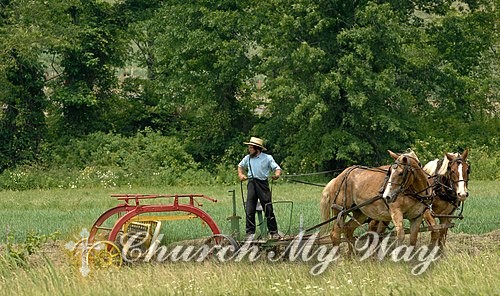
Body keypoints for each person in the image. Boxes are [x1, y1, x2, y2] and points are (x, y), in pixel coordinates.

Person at [238, 137, 282, 240]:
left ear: (257, 148)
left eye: (251, 147)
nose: (249, 149)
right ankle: (250, 233)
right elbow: (240, 166)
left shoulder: (267, 158)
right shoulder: (247, 158)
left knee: (268, 208)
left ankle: (273, 232)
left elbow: (277, 168)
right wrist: (241, 174)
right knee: (249, 208)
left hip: (263, 184)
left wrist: (277, 175)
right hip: (252, 183)